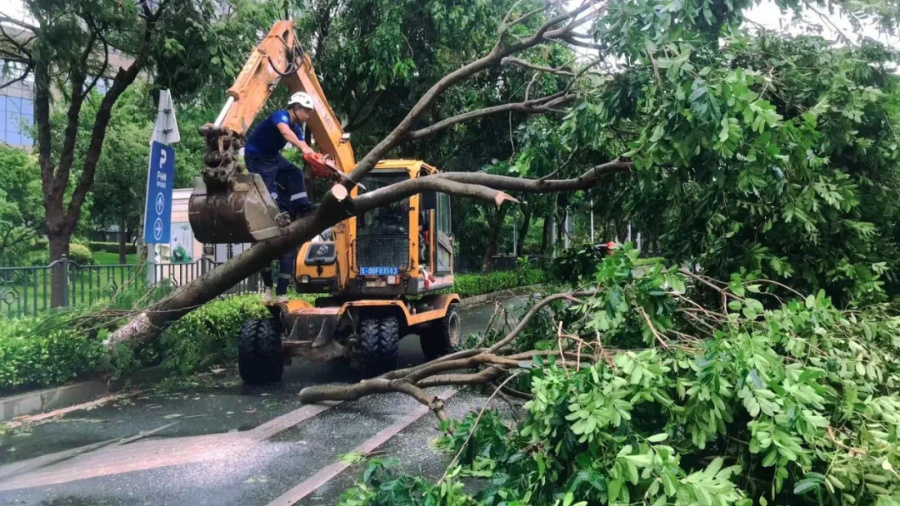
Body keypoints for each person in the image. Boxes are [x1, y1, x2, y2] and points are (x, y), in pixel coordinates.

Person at [244, 91, 317, 303]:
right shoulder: (281, 116)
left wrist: (316, 159)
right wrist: (303, 147)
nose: (308, 116)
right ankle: (271, 216)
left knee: (294, 172)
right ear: (296, 108)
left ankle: (302, 205)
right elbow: (286, 135)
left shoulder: (298, 127)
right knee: (268, 195)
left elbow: (304, 147)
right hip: (256, 157)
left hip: (273, 158)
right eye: (306, 111)